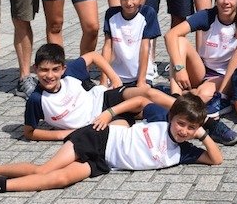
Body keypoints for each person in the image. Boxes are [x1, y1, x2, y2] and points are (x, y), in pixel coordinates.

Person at [0, 94, 223, 203]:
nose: (183, 130)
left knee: (58, 180)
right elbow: (140, 98)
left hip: (105, 164)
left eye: (189, 128)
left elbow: (216, 160)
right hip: (98, 138)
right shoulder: (158, 119)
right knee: (45, 169)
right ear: (172, 117)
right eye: (181, 123)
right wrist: (109, 113)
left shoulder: (183, 151)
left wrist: (203, 134)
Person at [23, 43, 152, 141]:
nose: (50, 75)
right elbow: (29, 132)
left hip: (103, 98)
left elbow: (93, 56)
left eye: (55, 69)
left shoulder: (69, 74)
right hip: (94, 123)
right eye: (44, 70)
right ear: (35, 69)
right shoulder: (36, 100)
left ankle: (171, 104)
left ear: (63, 69)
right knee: (121, 134)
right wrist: (61, 134)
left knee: (146, 95)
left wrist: (114, 78)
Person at [163, 0, 237, 104]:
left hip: (223, 75)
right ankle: (175, 96)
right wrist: (180, 68)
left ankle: (191, 96)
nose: (226, 2)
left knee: (202, 95)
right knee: (179, 41)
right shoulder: (207, 16)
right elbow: (170, 35)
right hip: (201, 70)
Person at [101, 0, 161, 88]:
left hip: (141, 75)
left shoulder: (148, 13)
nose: (129, 3)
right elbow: (107, 47)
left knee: (141, 100)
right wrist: (104, 80)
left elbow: (145, 47)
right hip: (117, 76)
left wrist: (141, 81)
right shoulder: (111, 14)